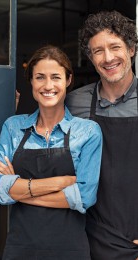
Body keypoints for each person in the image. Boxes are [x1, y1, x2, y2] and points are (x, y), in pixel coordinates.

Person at [0, 45, 103, 259]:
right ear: (31, 81)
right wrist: (61, 183)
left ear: (68, 81)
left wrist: (18, 191)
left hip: (70, 251)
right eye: (40, 77)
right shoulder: (13, 127)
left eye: (56, 77)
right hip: (20, 248)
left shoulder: (87, 131)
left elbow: (84, 197)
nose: (48, 85)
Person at [65, 10, 138, 259]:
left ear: (131, 49)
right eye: (98, 51)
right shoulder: (74, 103)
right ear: (91, 58)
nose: (108, 58)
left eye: (115, 47)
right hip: (88, 236)